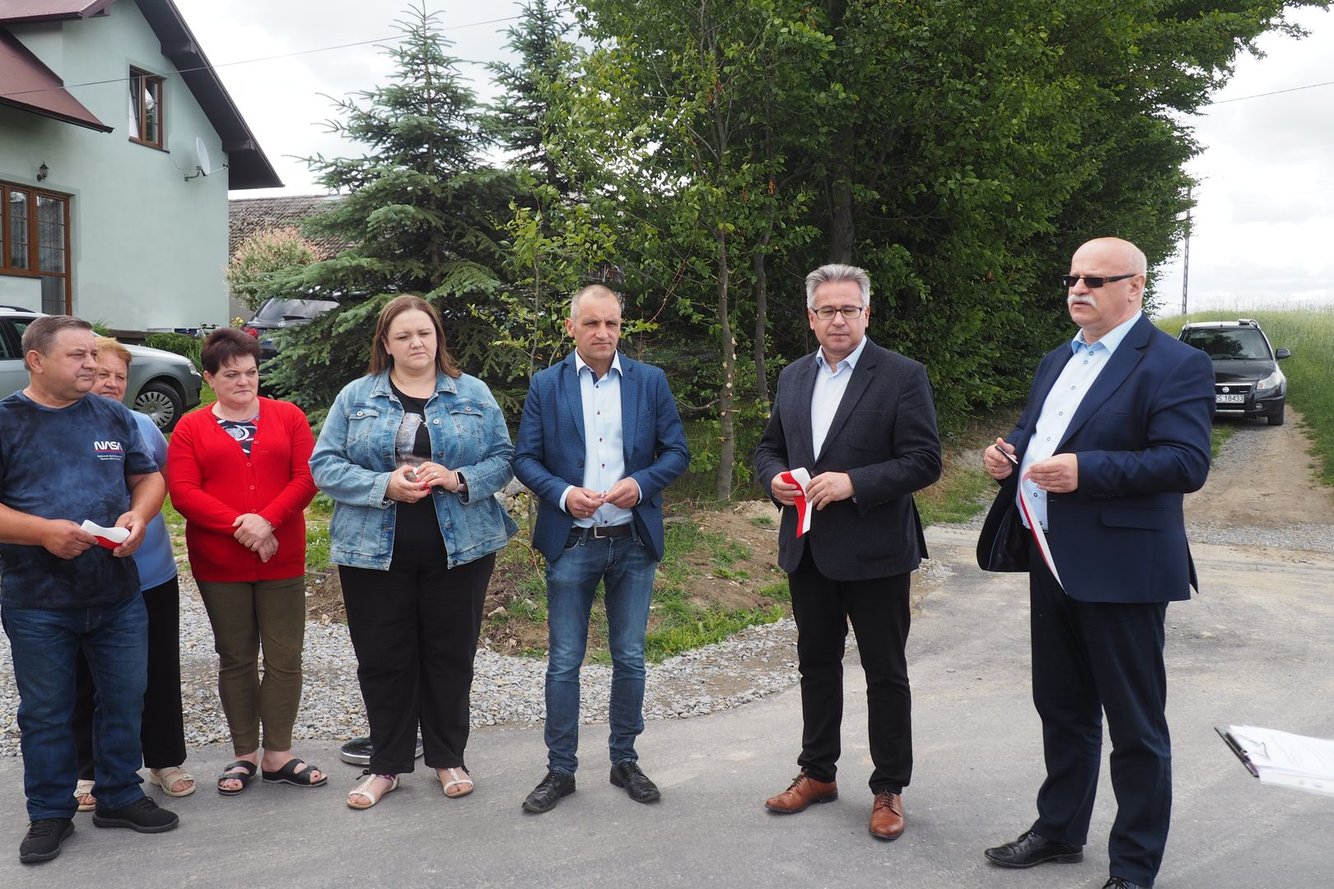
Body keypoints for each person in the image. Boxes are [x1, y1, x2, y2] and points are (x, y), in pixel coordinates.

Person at [976, 237, 1214, 889]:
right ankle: (1059, 829)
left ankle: (1133, 867)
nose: (1077, 289)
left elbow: (1186, 462)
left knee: (1136, 726)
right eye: (1073, 278)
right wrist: (1008, 455)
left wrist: (1087, 471)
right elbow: (1036, 434)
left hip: (1124, 568)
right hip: (1051, 558)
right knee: (1062, 708)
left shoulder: (1175, 363)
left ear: (1135, 287)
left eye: (1095, 280)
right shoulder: (1059, 358)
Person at [753, 263, 942, 841]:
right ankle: (818, 773)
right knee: (816, 665)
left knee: (885, 672)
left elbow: (924, 460)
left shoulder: (902, 375)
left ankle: (889, 787)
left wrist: (853, 482)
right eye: (827, 310)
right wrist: (774, 481)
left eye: (849, 310)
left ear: (867, 314)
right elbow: (769, 447)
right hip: (808, 549)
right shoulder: (793, 377)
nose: (838, 320)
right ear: (811, 318)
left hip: (877, 551)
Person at [310, 295, 517, 810]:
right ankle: (385, 766)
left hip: (461, 548)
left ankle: (448, 758)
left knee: (451, 656)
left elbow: (504, 458)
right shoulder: (356, 396)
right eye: (403, 336)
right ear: (386, 343)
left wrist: (457, 477)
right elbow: (324, 465)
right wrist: (383, 484)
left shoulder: (472, 392)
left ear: (437, 337)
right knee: (383, 659)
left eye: (424, 333)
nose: (416, 343)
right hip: (372, 553)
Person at [0, 316, 179, 865]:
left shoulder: (113, 415)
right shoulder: (7, 421)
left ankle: (119, 794)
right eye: (77, 355)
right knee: (47, 711)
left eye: (93, 355)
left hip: (116, 593)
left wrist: (140, 515)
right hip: (37, 600)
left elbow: (148, 477)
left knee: (124, 697)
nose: (92, 365)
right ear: (36, 361)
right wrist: (42, 533)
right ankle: (49, 812)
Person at [513, 283, 690, 814]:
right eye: (591, 323)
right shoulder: (546, 385)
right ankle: (560, 770)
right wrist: (563, 494)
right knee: (565, 661)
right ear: (571, 327)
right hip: (572, 541)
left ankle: (624, 761)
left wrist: (642, 484)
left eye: (611, 323)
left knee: (630, 657)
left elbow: (676, 451)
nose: (603, 332)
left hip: (632, 540)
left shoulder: (649, 381)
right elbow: (525, 458)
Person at [167, 328, 324, 796]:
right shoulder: (190, 427)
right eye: (231, 374)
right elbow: (184, 493)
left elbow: (306, 477)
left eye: (251, 373)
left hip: (282, 559)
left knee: (285, 657)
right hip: (220, 564)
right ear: (209, 378)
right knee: (235, 657)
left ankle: (278, 754)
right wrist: (244, 525)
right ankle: (243, 754)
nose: (244, 382)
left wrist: (268, 520)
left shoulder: (288, 416)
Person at [71, 338, 194, 814]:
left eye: (120, 377)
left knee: (157, 668)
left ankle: (164, 760)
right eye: (102, 374)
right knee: (88, 675)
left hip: (149, 572)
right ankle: (89, 768)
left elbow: (162, 479)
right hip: (84, 577)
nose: (111, 384)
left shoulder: (142, 426)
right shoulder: (60, 426)